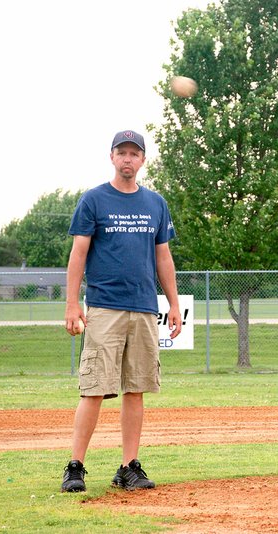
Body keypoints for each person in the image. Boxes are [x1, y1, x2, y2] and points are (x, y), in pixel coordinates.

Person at [60, 130, 182, 492]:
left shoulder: (155, 204)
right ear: (112, 157)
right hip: (103, 307)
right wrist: (71, 304)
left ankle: (128, 467)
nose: (128, 159)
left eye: (134, 153)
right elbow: (78, 254)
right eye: (122, 152)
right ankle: (75, 466)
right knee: (94, 388)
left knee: (136, 388)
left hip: (144, 308)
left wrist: (173, 303)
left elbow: (163, 257)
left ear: (143, 160)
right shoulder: (94, 200)